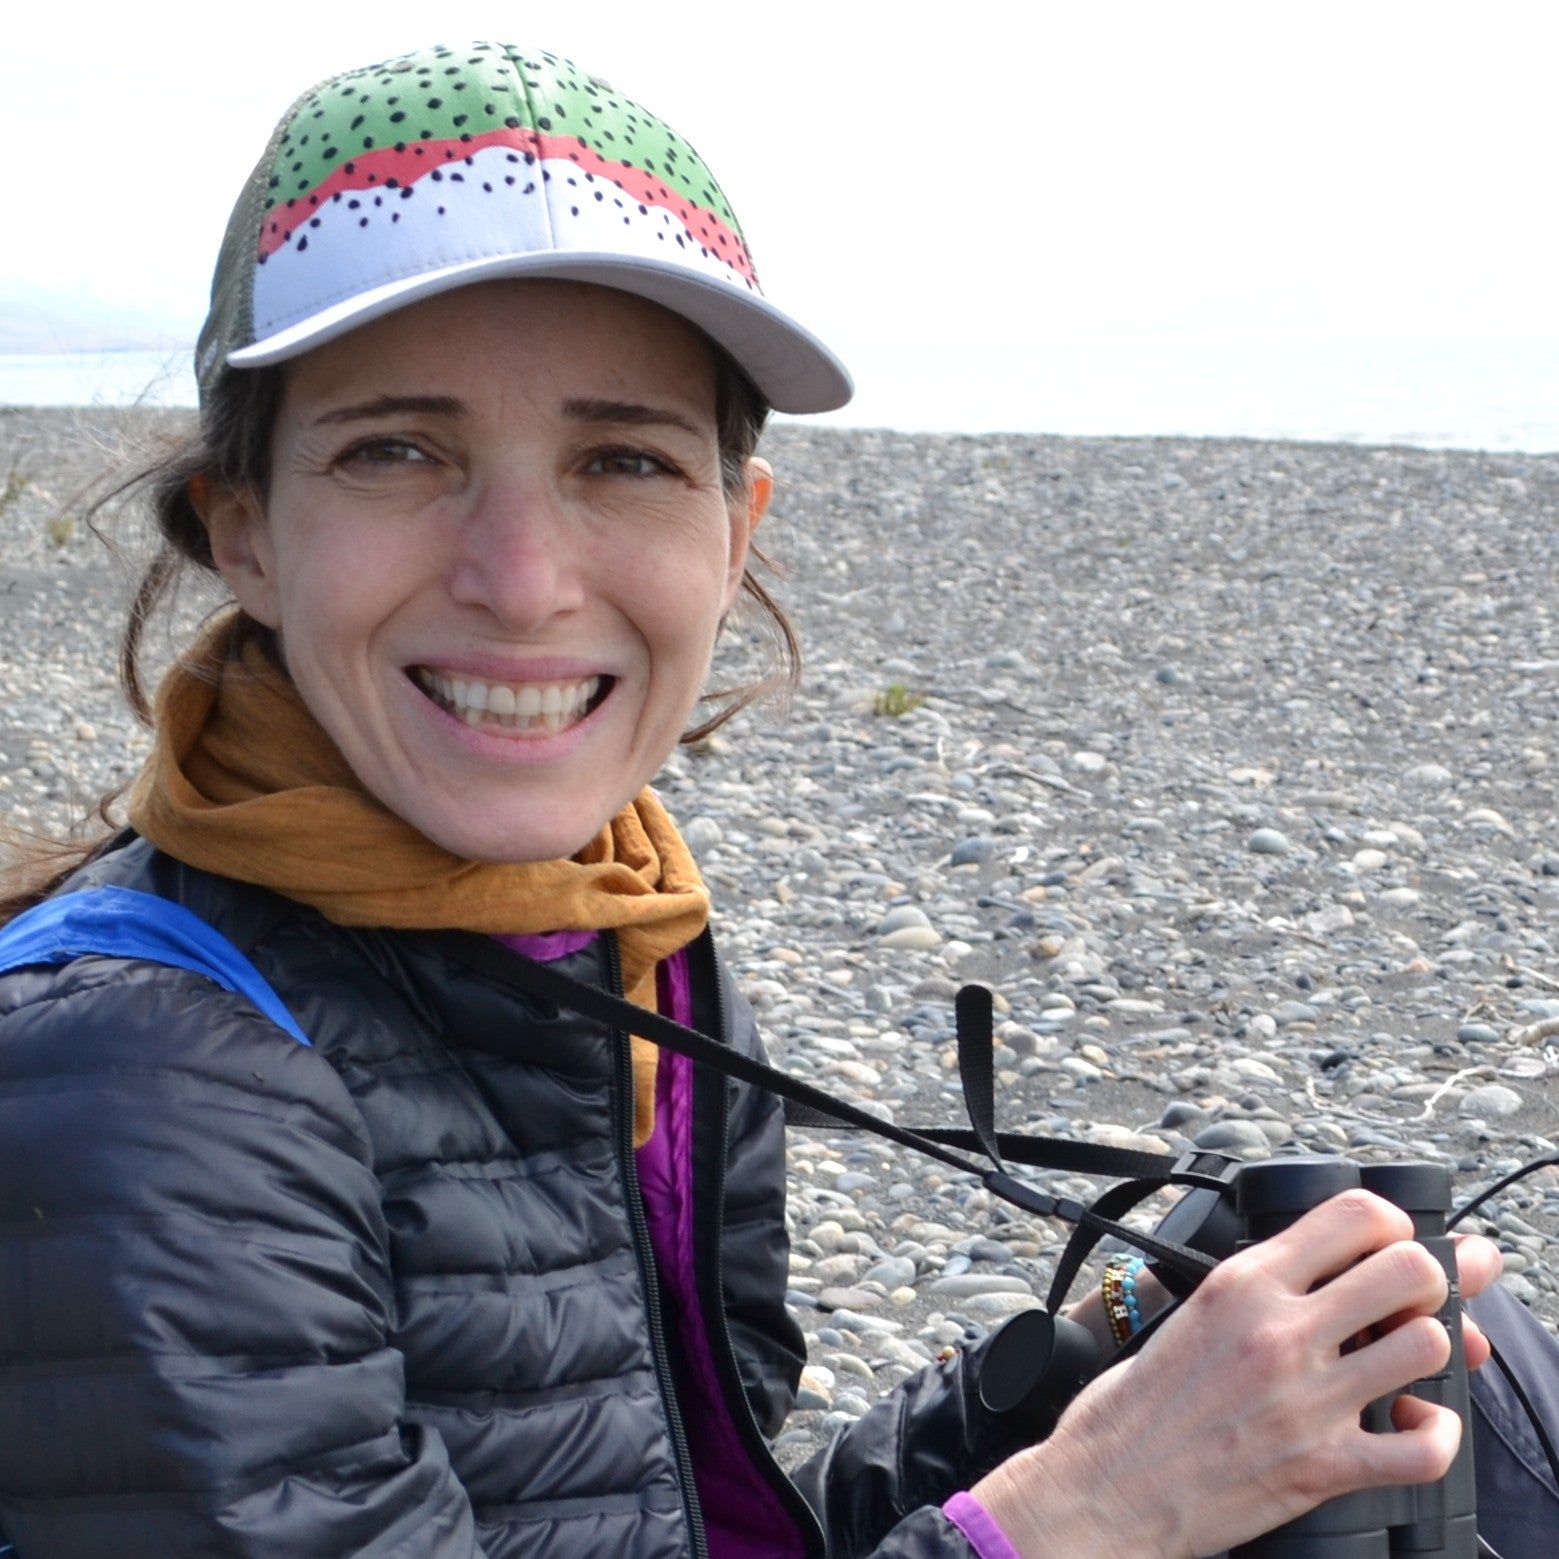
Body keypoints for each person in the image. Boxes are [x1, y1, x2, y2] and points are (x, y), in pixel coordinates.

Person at [0, 37, 1542, 1559]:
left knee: (1445, 1359)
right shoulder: (141, 1088)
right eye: (397, 450)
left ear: (733, 532)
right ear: (247, 530)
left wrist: (1117, 1354)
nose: (523, 581)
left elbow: (695, 1516)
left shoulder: (627, 939)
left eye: (620, 460)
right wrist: (1088, 1510)